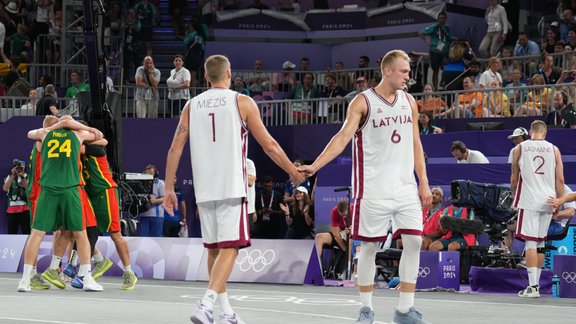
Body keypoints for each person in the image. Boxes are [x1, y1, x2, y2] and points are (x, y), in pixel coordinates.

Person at [162, 54, 304, 324]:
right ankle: (206, 304)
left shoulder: (191, 105)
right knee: (231, 248)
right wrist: (292, 170)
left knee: (215, 250)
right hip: (231, 186)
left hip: (204, 190)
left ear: (205, 77)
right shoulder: (242, 101)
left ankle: (226, 312)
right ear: (229, 75)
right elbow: (269, 145)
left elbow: (174, 148)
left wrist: (169, 187)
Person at [299, 50, 432, 324]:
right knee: (368, 248)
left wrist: (424, 182)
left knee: (415, 241)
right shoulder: (363, 102)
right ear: (388, 71)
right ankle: (366, 309)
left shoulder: (410, 102)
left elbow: (417, 144)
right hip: (371, 188)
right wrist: (315, 166)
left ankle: (405, 309)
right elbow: (342, 137)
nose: (409, 76)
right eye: (405, 71)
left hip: (405, 187)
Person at [19, 116, 104, 292]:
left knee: (36, 234)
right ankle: (87, 278)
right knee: (80, 234)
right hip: (70, 189)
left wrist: (54, 127)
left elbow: (28, 133)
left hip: (48, 190)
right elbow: (100, 136)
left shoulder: (44, 134)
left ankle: (25, 280)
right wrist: (74, 124)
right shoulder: (78, 135)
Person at [511, 120, 564, 298]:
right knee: (540, 243)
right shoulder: (554, 149)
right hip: (548, 199)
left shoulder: (520, 148)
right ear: (545, 132)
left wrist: (513, 195)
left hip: (529, 200)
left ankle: (533, 287)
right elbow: (561, 179)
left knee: (531, 243)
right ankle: (536, 286)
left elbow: (514, 176)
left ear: (531, 132)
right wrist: (559, 201)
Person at [79, 141, 138, 290]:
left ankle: (129, 272)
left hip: (105, 192)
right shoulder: (76, 153)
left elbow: (98, 139)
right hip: (89, 195)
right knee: (81, 233)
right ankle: (99, 260)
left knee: (115, 234)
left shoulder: (95, 149)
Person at [417, 12, 455, 90]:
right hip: (435, 51)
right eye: (440, 18)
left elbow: (450, 38)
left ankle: (445, 85)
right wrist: (428, 42)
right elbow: (420, 33)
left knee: (446, 69)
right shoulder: (434, 27)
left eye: (443, 18)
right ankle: (436, 90)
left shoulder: (448, 28)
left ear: (446, 19)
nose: (441, 19)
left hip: (445, 51)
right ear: (438, 19)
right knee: (436, 71)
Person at [3, 159, 30, 234]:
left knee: (27, 232)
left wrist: (22, 177)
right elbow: (5, 188)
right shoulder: (10, 177)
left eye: (21, 167)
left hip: (25, 209)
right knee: (12, 233)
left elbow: (28, 189)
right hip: (12, 210)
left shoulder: (28, 177)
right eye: (17, 167)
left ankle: (28, 246)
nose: (19, 169)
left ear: (25, 167)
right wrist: (13, 176)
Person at [138, 164, 164, 237]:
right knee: (143, 240)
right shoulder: (140, 184)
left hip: (156, 217)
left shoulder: (160, 183)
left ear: (155, 174)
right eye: (148, 174)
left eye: (151, 174)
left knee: (156, 241)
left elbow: (165, 198)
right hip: (143, 215)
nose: (150, 176)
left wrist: (155, 201)